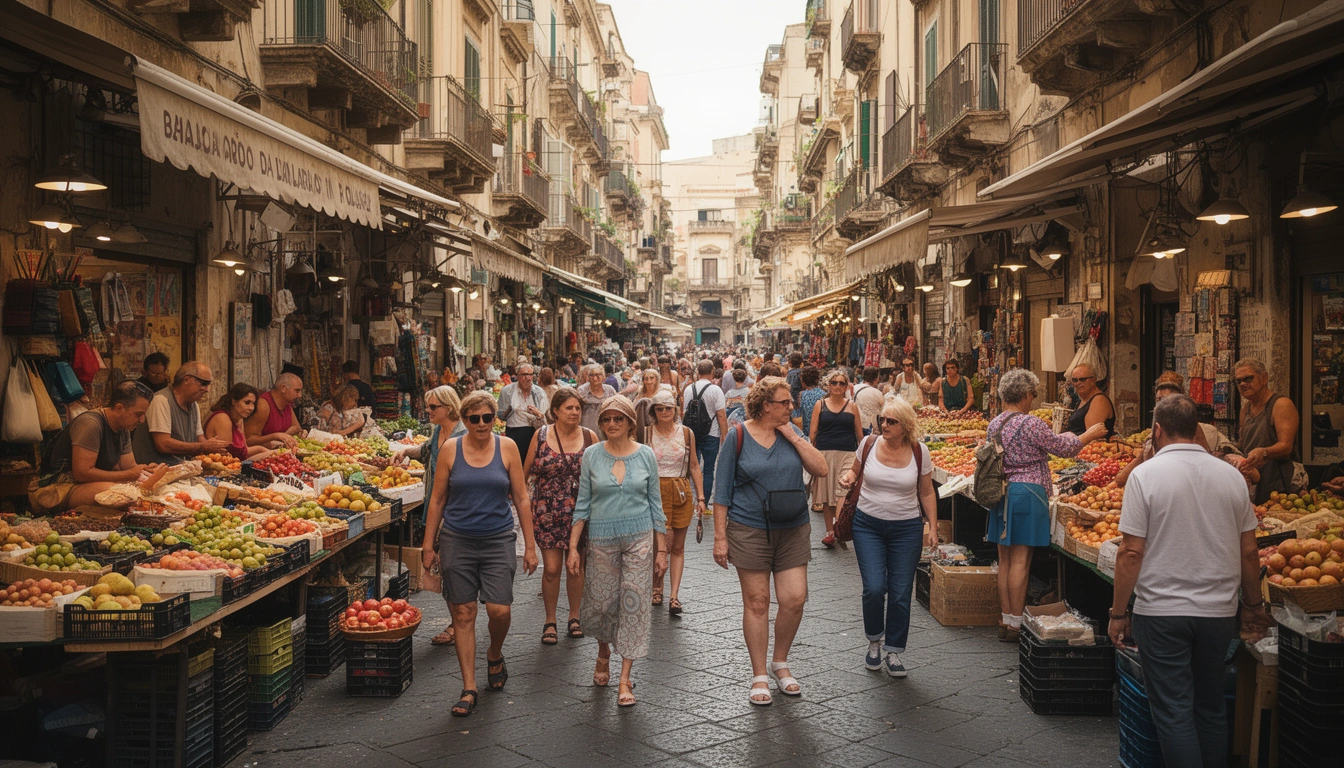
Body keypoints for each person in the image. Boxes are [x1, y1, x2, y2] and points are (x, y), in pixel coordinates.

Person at [1108, 394, 1271, 768]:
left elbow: (1130, 552)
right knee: (1210, 707)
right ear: (1198, 429)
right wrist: (1253, 606)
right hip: (1217, 613)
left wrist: (1118, 613)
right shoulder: (1231, 477)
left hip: (1161, 612)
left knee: (1174, 711)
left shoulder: (1144, 475)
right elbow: (1249, 553)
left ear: (1157, 430)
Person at [713, 377, 829, 705]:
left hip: (792, 527)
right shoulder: (737, 435)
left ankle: (781, 662)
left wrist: (793, 435)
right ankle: (759, 674)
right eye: (785, 403)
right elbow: (721, 492)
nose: (792, 407)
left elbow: (820, 468)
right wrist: (720, 538)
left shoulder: (793, 433)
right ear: (766, 405)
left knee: (794, 599)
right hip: (748, 527)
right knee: (758, 602)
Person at [422, 392, 538, 718]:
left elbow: (521, 498)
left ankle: (495, 652)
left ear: (494, 419)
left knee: (500, 610)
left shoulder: (508, 448)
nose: (482, 424)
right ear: (465, 420)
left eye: (488, 418)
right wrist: (428, 545)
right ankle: (469, 686)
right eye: (474, 419)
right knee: (463, 612)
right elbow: (437, 501)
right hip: (457, 540)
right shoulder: (450, 449)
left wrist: (530, 547)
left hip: (498, 539)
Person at [988, 369, 1107, 641]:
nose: (1033, 399)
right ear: (1025, 395)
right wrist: (1087, 435)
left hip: (1002, 492)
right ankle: (1017, 624)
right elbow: (1062, 448)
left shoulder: (995, 423)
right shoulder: (1031, 424)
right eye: (1032, 394)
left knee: (1004, 560)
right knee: (1021, 560)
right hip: (1027, 493)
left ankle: (1005, 620)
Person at [567, 396, 667, 708]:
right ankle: (603, 651)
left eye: (618, 419)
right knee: (600, 604)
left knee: (634, 604)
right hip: (601, 539)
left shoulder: (646, 455)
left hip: (639, 539)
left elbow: (655, 504)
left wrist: (661, 549)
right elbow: (582, 504)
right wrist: (573, 547)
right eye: (607, 419)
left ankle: (625, 678)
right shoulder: (592, 456)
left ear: (629, 423)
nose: (612, 424)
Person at [837, 397, 937, 678]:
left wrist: (933, 528)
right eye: (882, 419)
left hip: (906, 529)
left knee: (901, 592)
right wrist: (846, 478)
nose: (884, 424)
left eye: (891, 421)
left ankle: (894, 650)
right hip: (867, 525)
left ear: (905, 426)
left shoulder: (920, 451)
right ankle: (873, 642)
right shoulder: (868, 444)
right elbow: (853, 472)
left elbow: (927, 492)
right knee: (873, 588)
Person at [523, 389, 597, 645]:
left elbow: (599, 474)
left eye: (577, 408)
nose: (575, 412)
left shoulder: (590, 437)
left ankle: (574, 617)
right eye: (569, 408)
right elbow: (526, 473)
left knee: (575, 567)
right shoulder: (541, 435)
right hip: (547, 512)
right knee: (552, 569)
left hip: (580, 512)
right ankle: (550, 619)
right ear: (555, 411)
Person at [395, 385, 465, 647]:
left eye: (433, 407)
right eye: (428, 406)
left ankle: (459, 622)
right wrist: (404, 451)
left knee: (452, 567)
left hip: (456, 510)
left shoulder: (463, 433)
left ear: (449, 406)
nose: (429, 411)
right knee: (444, 567)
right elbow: (425, 451)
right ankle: (457, 620)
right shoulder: (438, 432)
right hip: (435, 509)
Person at [29, 381, 165, 515]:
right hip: (54, 489)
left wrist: (147, 471)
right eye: (138, 414)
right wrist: (130, 474)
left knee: (136, 491)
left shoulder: (123, 427)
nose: (142, 420)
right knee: (120, 495)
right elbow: (82, 473)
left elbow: (128, 467)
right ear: (119, 408)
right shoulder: (91, 424)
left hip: (85, 485)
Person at [646, 390, 705, 614]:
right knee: (657, 544)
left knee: (678, 546)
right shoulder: (646, 433)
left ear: (675, 410)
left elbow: (694, 467)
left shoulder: (687, 433)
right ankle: (656, 587)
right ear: (653, 411)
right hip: (654, 491)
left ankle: (674, 596)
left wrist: (700, 497)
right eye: (659, 408)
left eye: (667, 408)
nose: (663, 412)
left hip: (681, 491)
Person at [132, 362, 230, 465]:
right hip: (155, 470)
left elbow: (199, 438)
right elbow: (163, 444)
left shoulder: (194, 405)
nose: (207, 389)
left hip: (182, 469)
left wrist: (215, 450)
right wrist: (203, 446)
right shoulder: (161, 400)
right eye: (203, 383)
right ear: (187, 379)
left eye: (209, 384)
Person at [1232, 359, 1301, 504]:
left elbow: (1286, 446)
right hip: (1255, 481)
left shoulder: (1281, 404)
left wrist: (1263, 452)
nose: (1243, 384)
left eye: (1248, 378)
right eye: (1239, 381)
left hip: (1279, 481)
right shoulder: (1245, 410)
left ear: (1264, 378)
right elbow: (1244, 444)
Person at [809, 369, 863, 548]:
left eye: (842, 383)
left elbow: (859, 434)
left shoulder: (852, 406)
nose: (838, 386)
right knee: (827, 495)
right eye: (834, 383)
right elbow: (813, 433)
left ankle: (839, 528)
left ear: (847, 386)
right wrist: (812, 453)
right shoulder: (820, 405)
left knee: (842, 491)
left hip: (848, 453)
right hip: (825, 453)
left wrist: (863, 456)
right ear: (828, 385)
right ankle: (830, 532)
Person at [683, 360, 728, 506]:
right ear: (712, 372)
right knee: (708, 469)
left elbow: (684, 413)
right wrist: (725, 438)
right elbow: (721, 416)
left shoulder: (689, 389)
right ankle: (705, 502)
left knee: (691, 468)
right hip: (711, 434)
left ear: (698, 372)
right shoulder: (716, 390)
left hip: (692, 434)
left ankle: (690, 500)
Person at [205, 384, 273, 459]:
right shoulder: (223, 418)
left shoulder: (240, 419)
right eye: (247, 403)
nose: (251, 408)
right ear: (234, 401)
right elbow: (226, 456)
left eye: (253, 404)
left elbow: (245, 451)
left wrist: (270, 452)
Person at [498, 363, 548, 458]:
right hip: (513, 432)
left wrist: (538, 413)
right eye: (524, 375)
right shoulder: (507, 391)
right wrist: (508, 411)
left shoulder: (539, 392)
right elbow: (500, 415)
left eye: (530, 375)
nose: (528, 378)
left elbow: (545, 416)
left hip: (533, 432)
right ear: (517, 376)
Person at [246, 373, 305, 448]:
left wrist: (285, 435)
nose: (300, 395)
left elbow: (297, 427)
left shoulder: (287, 403)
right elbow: (249, 440)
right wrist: (276, 436)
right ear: (283, 388)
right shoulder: (263, 405)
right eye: (297, 391)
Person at [1066, 363, 1115, 438]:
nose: (1078, 383)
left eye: (1083, 379)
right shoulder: (1082, 400)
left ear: (1093, 380)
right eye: (1075, 380)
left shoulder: (1099, 400)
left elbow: (1092, 436)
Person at [577, 365, 618, 433]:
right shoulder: (582, 390)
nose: (595, 378)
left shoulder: (610, 390)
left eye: (597, 375)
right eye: (591, 375)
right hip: (586, 428)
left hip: (606, 429)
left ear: (603, 377)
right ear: (588, 377)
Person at [853, 366, 886, 433]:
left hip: (855, 426)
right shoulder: (877, 393)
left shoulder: (854, 388)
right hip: (871, 429)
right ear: (876, 379)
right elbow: (884, 409)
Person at [795, 366, 825, 437]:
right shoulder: (824, 394)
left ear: (803, 382)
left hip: (807, 431)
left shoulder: (802, 395)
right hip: (821, 430)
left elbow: (800, 414)